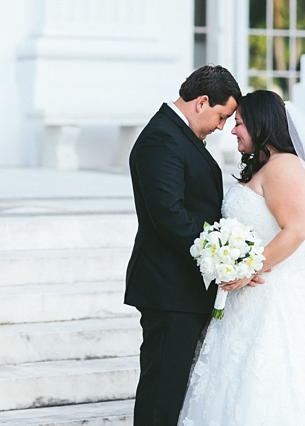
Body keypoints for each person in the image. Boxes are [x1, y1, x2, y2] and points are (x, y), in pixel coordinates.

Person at [177, 90, 305, 425]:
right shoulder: (266, 166)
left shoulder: (285, 166)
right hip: (246, 300)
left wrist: (248, 268)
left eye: (241, 123)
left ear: (261, 124)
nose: (233, 130)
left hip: (274, 298)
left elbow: (297, 230)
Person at [125, 65, 250, 426]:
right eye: (222, 116)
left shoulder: (176, 133)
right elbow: (170, 217)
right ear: (202, 102)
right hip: (169, 288)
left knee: (172, 389)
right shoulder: (161, 139)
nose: (223, 126)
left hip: (181, 287)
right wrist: (228, 259)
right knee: (162, 392)